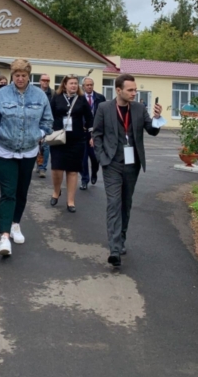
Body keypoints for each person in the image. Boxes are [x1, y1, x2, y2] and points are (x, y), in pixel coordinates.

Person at [92, 73, 163, 268]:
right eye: (130, 90)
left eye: (135, 90)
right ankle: (114, 250)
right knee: (114, 203)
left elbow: (152, 130)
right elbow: (96, 134)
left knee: (126, 203)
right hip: (112, 163)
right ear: (118, 90)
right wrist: (101, 157)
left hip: (132, 164)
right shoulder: (104, 108)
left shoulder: (139, 108)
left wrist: (157, 118)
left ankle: (121, 238)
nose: (134, 93)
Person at [0, 59, 53, 257]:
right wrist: (0, 131)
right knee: (8, 192)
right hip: (5, 150)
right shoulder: (1, 94)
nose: (20, 79)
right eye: (17, 75)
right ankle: (4, 236)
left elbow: (48, 121)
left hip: (29, 151)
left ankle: (15, 224)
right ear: (12, 75)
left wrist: (39, 135)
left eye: (23, 75)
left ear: (29, 76)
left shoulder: (39, 95)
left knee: (22, 191)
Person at [50, 75, 93, 213]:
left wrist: (91, 135)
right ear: (65, 85)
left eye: (75, 83)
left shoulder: (81, 99)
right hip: (58, 139)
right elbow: (48, 115)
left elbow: (89, 118)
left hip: (76, 140)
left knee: (72, 170)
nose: (74, 85)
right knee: (57, 169)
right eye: (71, 83)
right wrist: (46, 130)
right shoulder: (56, 98)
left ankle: (70, 201)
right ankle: (56, 191)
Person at [80, 77, 106, 190]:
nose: (89, 87)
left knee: (95, 157)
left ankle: (94, 172)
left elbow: (105, 115)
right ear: (83, 86)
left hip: (96, 132)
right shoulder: (79, 98)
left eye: (91, 85)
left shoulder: (100, 98)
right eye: (87, 85)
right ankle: (84, 180)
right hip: (82, 132)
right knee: (83, 158)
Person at [36, 73, 53, 178]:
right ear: (40, 81)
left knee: (46, 145)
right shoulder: (35, 93)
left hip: (47, 122)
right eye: (43, 80)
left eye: (47, 80)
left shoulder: (53, 94)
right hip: (35, 122)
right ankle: (38, 163)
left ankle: (43, 168)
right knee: (36, 144)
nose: (45, 82)